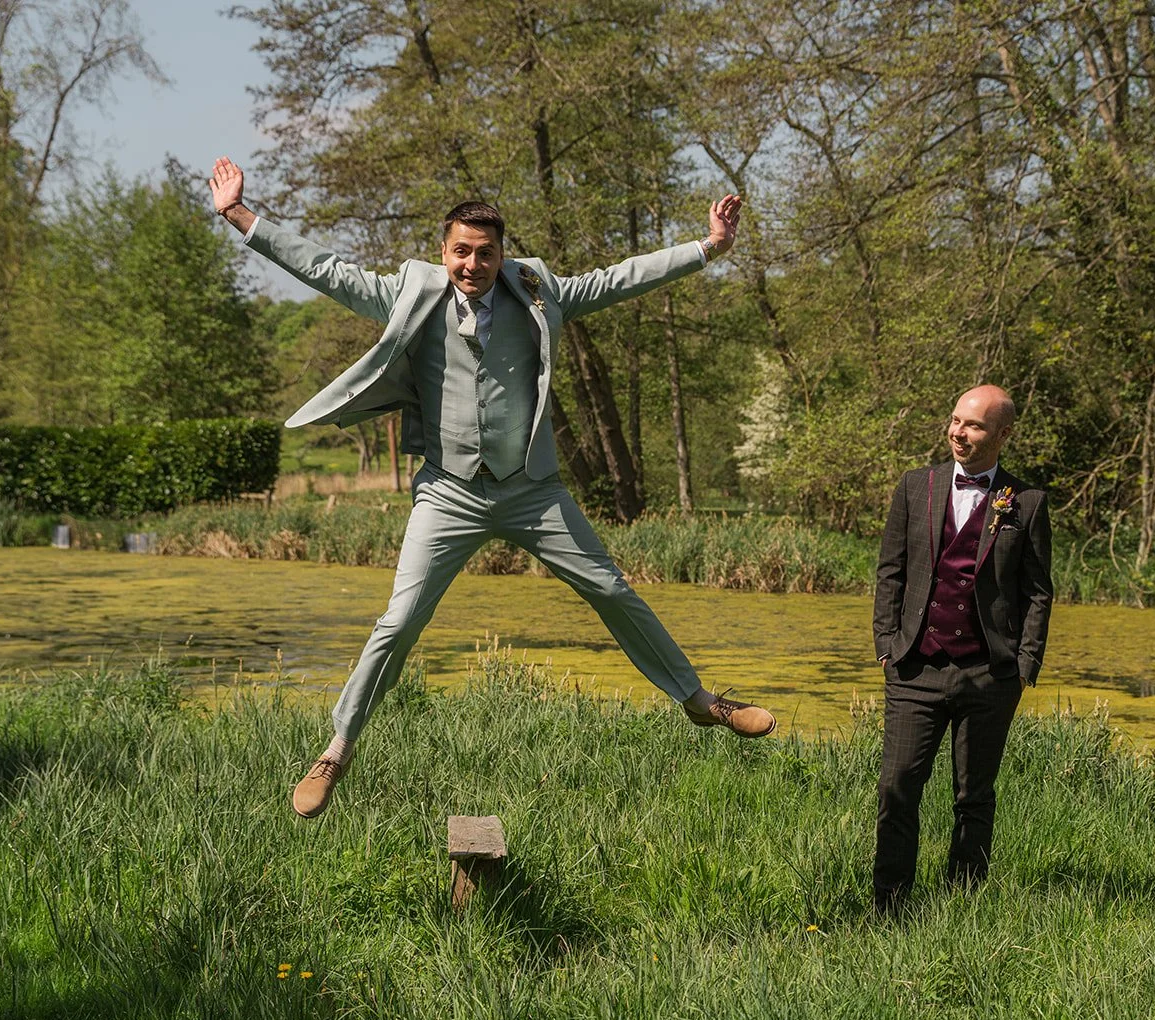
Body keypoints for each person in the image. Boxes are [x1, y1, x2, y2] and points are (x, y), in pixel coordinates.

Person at [206, 157, 777, 819]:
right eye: (460, 251)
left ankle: (700, 700)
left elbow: (617, 279)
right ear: (442, 251)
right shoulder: (411, 293)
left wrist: (707, 247)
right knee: (398, 620)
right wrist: (240, 215)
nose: (472, 264)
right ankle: (337, 748)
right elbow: (327, 269)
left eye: (485, 252)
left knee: (611, 587)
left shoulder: (536, 288)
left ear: (502, 254)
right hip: (448, 492)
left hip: (531, 490)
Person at [870, 385, 1052, 912]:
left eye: (972, 426)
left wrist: (1024, 665)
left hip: (989, 674)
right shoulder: (915, 487)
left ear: (1002, 434)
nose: (958, 432)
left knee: (973, 797)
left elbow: (1038, 592)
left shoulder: (1028, 503)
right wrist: (886, 643)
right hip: (914, 667)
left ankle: (961, 908)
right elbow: (891, 571)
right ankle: (890, 907)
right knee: (897, 788)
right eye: (955, 421)